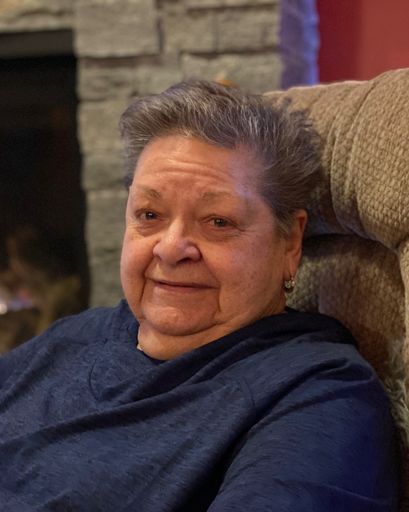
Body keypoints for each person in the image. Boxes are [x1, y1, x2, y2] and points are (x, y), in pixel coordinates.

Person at [0, 81, 399, 511]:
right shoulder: (75, 337)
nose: (171, 248)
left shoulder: (316, 396)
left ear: (290, 243)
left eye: (218, 221)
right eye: (150, 214)